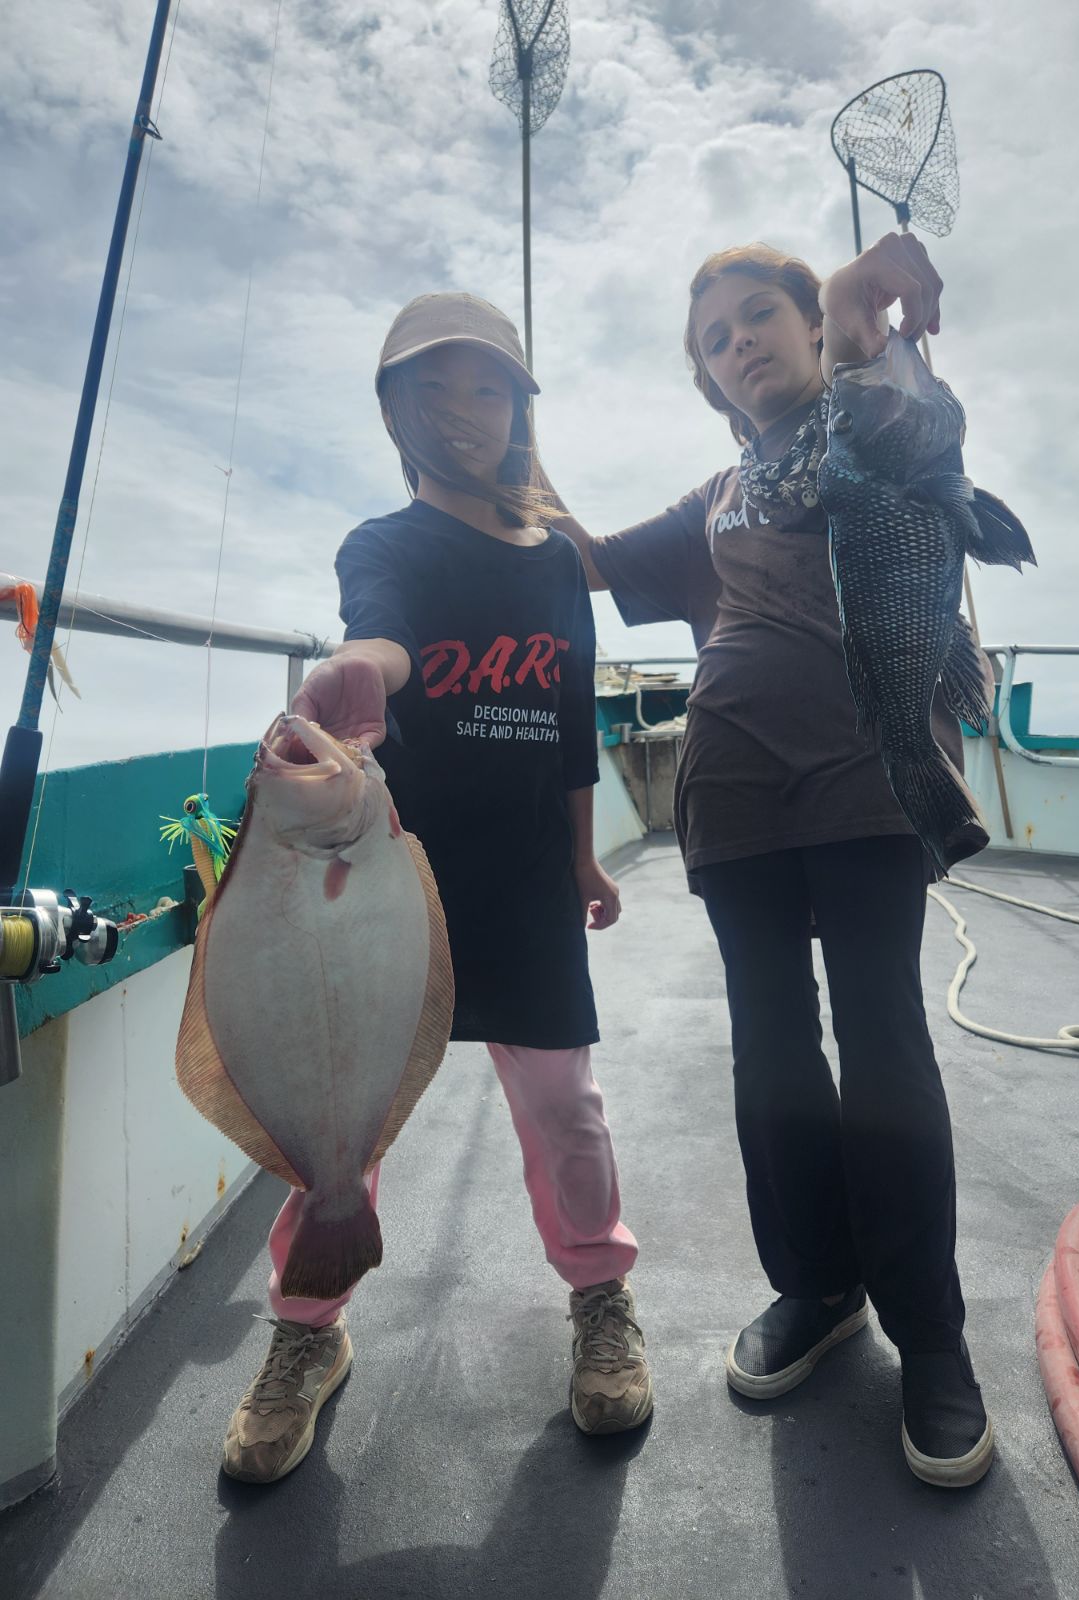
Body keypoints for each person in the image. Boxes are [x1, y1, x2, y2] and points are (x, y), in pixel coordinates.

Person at [555, 233, 994, 1489]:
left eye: (762, 317)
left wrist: (867, 306)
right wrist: (492, 458)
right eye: (715, 337)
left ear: (813, 330)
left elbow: (896, 375)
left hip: (868, 778)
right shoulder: (712, 496)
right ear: (705, 377)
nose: (741, 341)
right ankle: (817, 1284)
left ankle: (934, 1336)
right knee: (773, 1052)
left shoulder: (869, 418)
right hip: (731, 791)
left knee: (885, 1043)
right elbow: (586, 563)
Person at [221, 293, 652, 1485]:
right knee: (341, 1122)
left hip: (523, 880)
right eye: (431, 388)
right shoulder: (387, 544)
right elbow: (387, 633)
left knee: (566, 1110)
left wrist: (580, 855)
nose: (462, 410)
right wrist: (364, 667)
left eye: (486, 386)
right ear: (394, 413)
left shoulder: (561, 565)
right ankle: (307, 1334)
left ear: (519, 408)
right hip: (390, 882)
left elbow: (571, 722)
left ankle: (602, 1298)